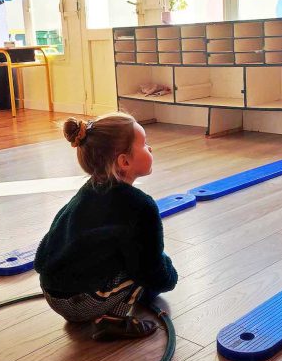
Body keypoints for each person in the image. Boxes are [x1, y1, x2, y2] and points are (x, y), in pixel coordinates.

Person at [34, 113, 178, 340]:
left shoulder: (89, 190)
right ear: (124, 162)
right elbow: (150, 269)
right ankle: (112, 320)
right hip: (79, 301)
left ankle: (90, 305)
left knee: (133, 254)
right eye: (144, 144)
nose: (150, 148)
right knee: (148, 265)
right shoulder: (141, 206)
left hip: (51, 291)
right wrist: (170, 277)